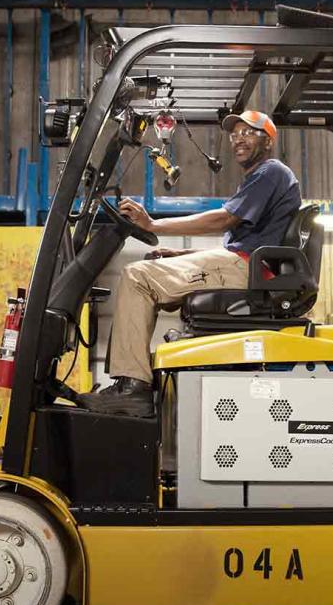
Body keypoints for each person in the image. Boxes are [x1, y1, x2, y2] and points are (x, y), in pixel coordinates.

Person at [77, 110, 302, 417]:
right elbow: (239, 240)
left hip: (246, 269)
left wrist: (154, 225)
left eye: (248, 133)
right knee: (150, 267)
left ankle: (133, 388)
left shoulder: (270, 172)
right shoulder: (260, 179)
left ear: (268, 141)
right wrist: (184, 256)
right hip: (245, 264)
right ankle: (129, 383)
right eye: (235, 134)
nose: (239, 140)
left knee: (137, 276)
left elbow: (224, 220)